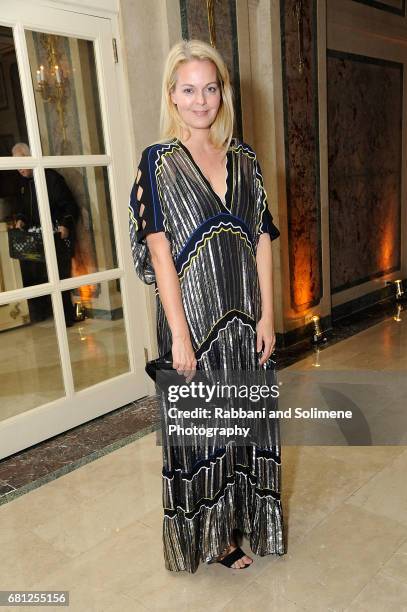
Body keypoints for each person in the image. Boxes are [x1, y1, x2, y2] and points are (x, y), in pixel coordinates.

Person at [129, 39, 285, 573]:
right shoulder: (159, 162)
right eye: (188, 89)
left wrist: (267, 314)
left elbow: (263, 238)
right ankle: (215, 539)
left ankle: (247, 520)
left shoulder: (245, 159)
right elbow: (159, 252)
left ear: (224, 93)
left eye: (210, 88)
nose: (201, 101)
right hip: (194, 321)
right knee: (203, 434)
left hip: (245, 318)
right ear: (172, 96)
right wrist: (178, 333)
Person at [11, 143, 79, 326]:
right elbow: (23, 209)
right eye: (15, 165)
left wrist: (65, 224)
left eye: (21, 163)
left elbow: (69, 204)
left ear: (29, 156)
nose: (19, 169)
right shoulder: (23, 185)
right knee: (36, 276)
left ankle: (67, 318)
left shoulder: (51, 178)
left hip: (56, 236)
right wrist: (21, 219)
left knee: (60, 276)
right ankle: (42, 315)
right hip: (35, 240)